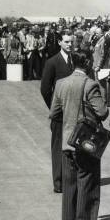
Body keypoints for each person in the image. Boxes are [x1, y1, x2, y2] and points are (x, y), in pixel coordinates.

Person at [49, 51, 108, 220]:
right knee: (87, 182)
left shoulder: (61, 84)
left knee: (69, 184)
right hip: (85, 142)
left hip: (68, 141)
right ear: (89, 62)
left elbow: (54, 113)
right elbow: (103, 112)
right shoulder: (90, 85)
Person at [40, 33, 74, 193]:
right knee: (58, 147)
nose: (70, 45)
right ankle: (58, 182)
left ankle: (71, 180)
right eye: (67, 42)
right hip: (60, 114)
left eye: (72, 42)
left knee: (73, 146)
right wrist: (54, 109)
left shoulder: (75, 60)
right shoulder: (52, 62)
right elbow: (45, 89)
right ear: (60, 42)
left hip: (74, 113)